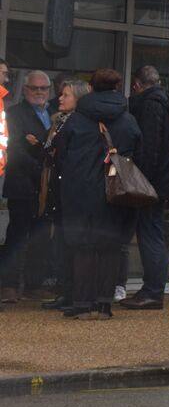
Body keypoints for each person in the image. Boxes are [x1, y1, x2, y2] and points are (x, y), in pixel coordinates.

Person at [57, 69, 140, 320]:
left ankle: (83, 303)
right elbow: (138, 149)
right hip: (115, 190)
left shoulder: (77, 119)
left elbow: (61, 154)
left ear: (90, 89)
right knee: (110, 247)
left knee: (82, 247)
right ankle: (104, 304)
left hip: (79, 191)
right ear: (117, 89)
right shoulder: (128, 119)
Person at [120, 65, 169, 310]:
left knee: (150, 233)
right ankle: (152, 287)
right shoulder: (166, 102)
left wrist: (142, 181)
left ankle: (152, 290)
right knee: (153, 232)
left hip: (151, 182)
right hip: (161, 180)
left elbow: (149, 147)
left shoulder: (150, 106)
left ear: (137, 85)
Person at [0, 71, 54, 303]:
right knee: (17, 236)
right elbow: (16, 150)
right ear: (25, 90)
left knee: (41, 238)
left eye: (43, 88)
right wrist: (42, 167)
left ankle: (34, 285)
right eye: (34, 88)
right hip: (22, 184)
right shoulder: (13, 113)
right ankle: (8, 285)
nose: (39, 92)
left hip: (47, 188)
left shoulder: (55, 114)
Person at [40, 79, 90, 311]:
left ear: (78, 99)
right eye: (61, 94)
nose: (60, 98)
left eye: (66, 95)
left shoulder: (79, 123)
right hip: (56, 186)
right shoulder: (58, 121)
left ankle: (72, 292)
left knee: (70, 242)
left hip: (71, 188)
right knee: (60, 240)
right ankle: (64, 290)